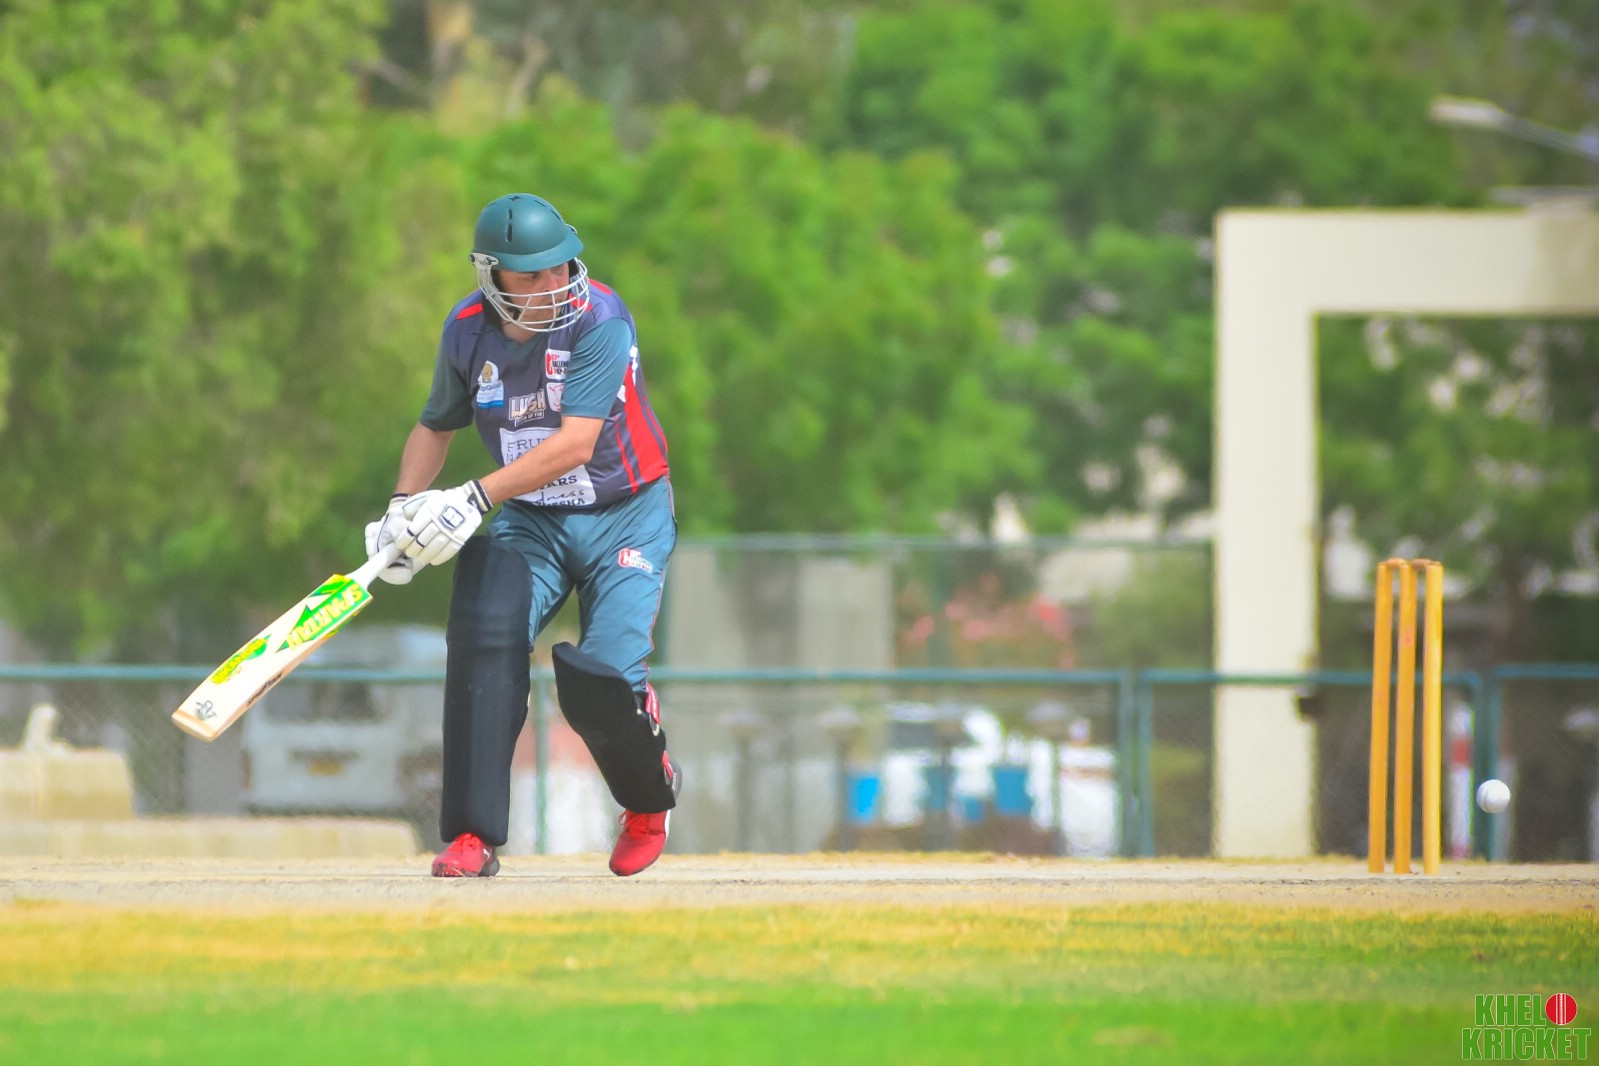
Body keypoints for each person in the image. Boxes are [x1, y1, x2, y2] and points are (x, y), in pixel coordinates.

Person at [365, 193, 680, 878]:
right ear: (492, 276)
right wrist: (401, 509)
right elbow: (435, 425)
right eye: (531, 275)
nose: (552, 284)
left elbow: (574, 444)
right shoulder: (465, 332)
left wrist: (473, 498)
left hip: (625, 512)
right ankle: (471, 835)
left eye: (560, 266)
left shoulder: (600, 319)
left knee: (602, 679)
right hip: (532, 518)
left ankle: (646, 801)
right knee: (483, 631)